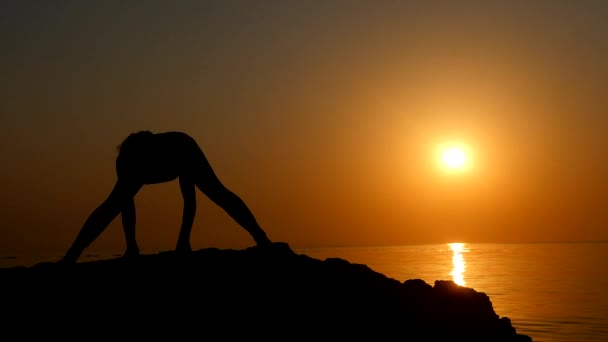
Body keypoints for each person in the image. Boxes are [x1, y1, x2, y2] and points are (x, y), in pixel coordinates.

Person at [60, 131, 271, 263]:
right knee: (113, 204)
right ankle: (75, 252)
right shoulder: (127, 162)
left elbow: (189, 199)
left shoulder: (175, 147)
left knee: (218, 194)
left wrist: (183, 240)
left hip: (185, 148)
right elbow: (120, 207)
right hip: (168, 151)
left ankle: (260, 237)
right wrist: (131, 245)